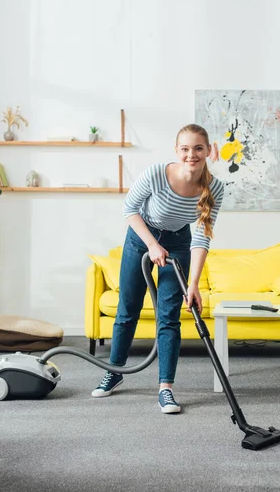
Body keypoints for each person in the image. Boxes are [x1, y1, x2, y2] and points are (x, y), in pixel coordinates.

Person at [91, 123, 224, 413]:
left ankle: (166, 388)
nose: (192, 155)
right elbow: (129, 209)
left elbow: (202, 237)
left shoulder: (214, 188)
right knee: (128, 309)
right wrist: (152, 244)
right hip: (141, 239)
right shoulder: (156, 174)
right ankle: (114, 373)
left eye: (198, 148)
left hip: (178, 243)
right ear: (177, 151)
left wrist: (193, 285)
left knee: (169, 316)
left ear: (208, 151)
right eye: (186, 149)